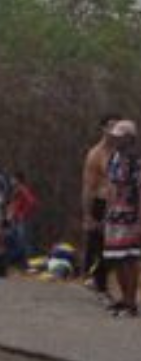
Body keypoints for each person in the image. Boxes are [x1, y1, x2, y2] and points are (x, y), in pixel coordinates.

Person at [103, 120, 141, 317]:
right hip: (113, 214)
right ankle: (123, 298)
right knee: (115, 257)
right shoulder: (113, 157)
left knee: (130, 257)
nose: (116, 139)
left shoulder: (135, 160)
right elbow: (109, 184)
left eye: (121, 136)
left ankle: (131, 302)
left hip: (131, 214)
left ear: (130, 138)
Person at [83, 114, 122, 295]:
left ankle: (105, 282)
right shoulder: (96, 154)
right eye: (111, 126)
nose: (114, 131)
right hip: (101, 202)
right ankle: (99, 284)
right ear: (103, 129)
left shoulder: (124, 151)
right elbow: (89, 186)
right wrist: (88, 215)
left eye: (117, 126)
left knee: (117, 248)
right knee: (100, 245)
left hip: (121, 205)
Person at [9, 172, 39, 265]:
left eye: (12, 179)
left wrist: (23, 213)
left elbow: (33, 202)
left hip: (23, 220)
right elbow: (15, 204)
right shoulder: (16, 190)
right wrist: (11, 213)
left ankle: (31, 263)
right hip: (16, 220)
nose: (11, 181)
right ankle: (22, 262)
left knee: (25, 241)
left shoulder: (23, 189)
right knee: (18, 241)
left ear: (17, 180)